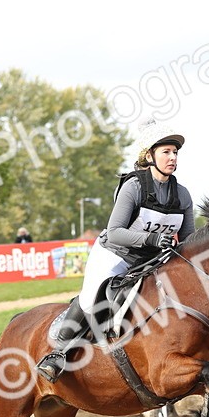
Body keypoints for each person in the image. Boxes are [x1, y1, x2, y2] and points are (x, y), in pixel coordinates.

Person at [36, 119, 194, 382]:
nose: (173, 157)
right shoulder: (134, 186)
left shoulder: (183, 195)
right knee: (91, 298)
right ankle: (58, 353)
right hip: (117, 254)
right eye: (166, 152)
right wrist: (153, 239)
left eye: (175, 152)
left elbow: (188, 240)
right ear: (149, 156)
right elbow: (115, 231)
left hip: (153, 261)